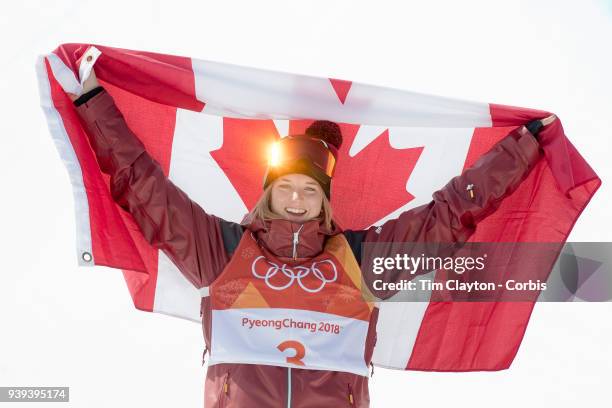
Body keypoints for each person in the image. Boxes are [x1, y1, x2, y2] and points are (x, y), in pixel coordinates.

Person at [69, 69, 554, 407]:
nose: (297, 199)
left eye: (309, 190)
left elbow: (447, 217)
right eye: (285, 188)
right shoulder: (220, 250)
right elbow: (144, 187)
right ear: (268, 195)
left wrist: (525, 144)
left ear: (324, 200)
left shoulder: (360, 261)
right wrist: (91, 100)